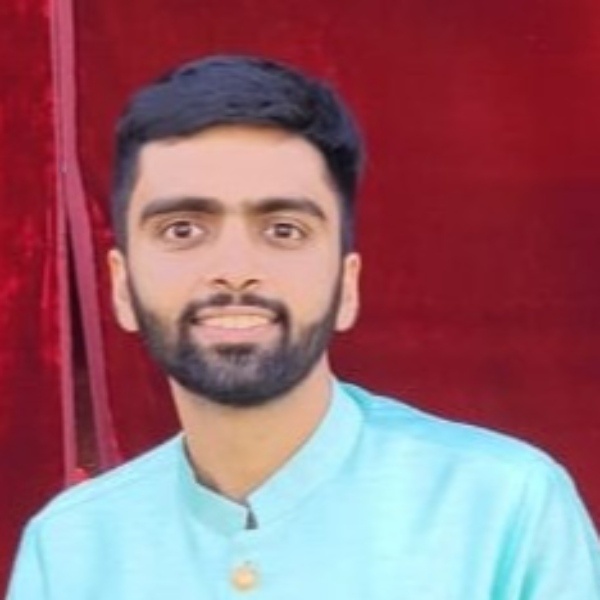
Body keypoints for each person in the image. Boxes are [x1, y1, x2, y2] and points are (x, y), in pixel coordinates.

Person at [7, 54, 600, 599]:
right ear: (120, 286)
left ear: (347, 285)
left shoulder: (502, 509)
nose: (234, 269)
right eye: (182, 229)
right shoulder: (71, 550)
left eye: (283, 230)